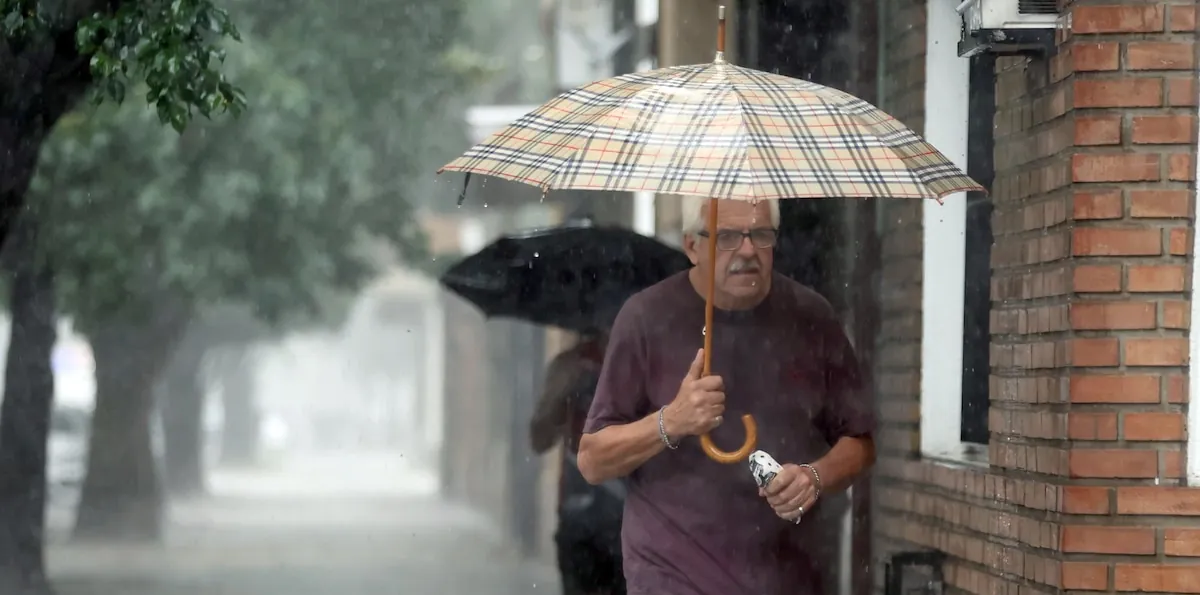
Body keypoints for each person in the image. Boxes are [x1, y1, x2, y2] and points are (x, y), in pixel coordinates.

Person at [576, 197, 877, 595]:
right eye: (728, 237)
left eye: (761, 235)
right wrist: (671, 422)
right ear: (691, 246)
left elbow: (860, 442)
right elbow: (593, 459)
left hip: (785, 576)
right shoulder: (646, 319)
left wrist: (814, 477)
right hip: (672, 574)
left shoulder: (811, 318)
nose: (748, 250)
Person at [530, 328, 627, 595]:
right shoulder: (572, 365)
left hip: (636, 523)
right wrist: (560, 394)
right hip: (581, 522)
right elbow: (539, 440)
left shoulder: (650, 365)